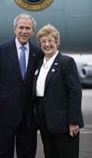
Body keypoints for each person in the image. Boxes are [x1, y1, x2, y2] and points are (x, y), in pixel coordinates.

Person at [0, 13, 43, 158]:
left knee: (27, 154)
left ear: (32, 31)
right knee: (3, 154)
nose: (24, 31)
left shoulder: (38, 53)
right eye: (21, 27)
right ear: (15, 29)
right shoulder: (0, 50)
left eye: (28, 28)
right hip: (4, 114)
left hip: (29, 118)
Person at [33, 24, 84, 158]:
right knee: (50, 154)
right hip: (45, 120)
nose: (47, 44)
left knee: (67, 154)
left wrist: (74, 121)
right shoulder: (39, 64)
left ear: (57, 42)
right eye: (43, 41)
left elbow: (75, 93)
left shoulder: (66, 62)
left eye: (50, 40)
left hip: (64, 122)